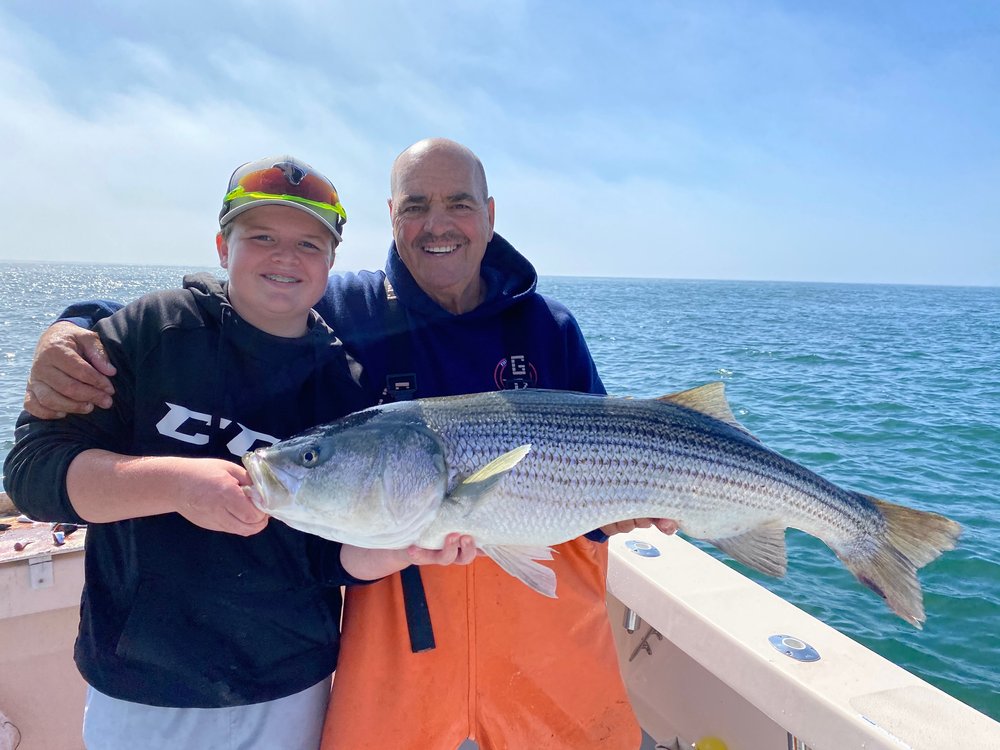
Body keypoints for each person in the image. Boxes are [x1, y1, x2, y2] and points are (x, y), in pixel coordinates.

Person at [21, 138, 676, 750]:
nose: (437, 224)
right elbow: (237, 304)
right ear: (392, 217)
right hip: (399, 645)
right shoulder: (346, 309)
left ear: (490, 214)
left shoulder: (549, 326)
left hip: (542, 634)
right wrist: (74, 325)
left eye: (459, 204)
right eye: (415, 206)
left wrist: (627, 505)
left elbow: (606, 459)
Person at [3, 155, 474, 750]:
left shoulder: (345, 385)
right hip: (141, 689)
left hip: (292, 689)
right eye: (262, 237)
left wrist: (406, 544)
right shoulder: (152, 332)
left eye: (309, 244)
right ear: (223, 247)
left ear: (331, 262)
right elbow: (34, 472)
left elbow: (325, 556)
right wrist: (176, 486)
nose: (286, 257)